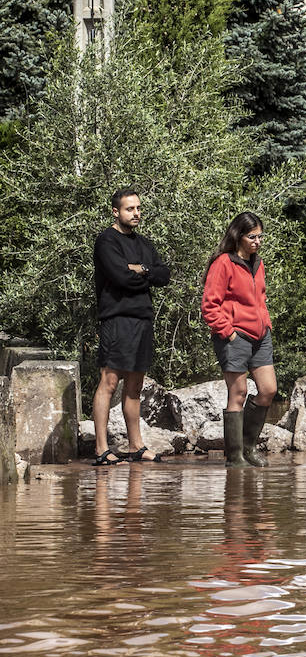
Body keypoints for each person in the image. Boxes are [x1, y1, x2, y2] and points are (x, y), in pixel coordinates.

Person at [92, 189, 171, 466]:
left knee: (135, 386)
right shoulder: (106, 241)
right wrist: (139, 272)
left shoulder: (145, 243)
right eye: (129, 209)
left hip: (143, 319)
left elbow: (163, 274)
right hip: (117, 318)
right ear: (116, 212)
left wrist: (141, 269)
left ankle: (136, 446)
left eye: (138, 208)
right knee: (109, 382)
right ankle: (101, 448)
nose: (136, 213)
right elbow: (120, 278)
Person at [201, 212, 277, 468]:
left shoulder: (258, 262)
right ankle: (235, 457)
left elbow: (261, 298)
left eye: (260, 236)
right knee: (239, 392)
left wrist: (265, 323)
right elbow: (209, 305)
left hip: (260, 336)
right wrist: (228, 332)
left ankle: (248, 447)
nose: (257, 241)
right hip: (234, 337)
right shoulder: (223, 263)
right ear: (238, 236)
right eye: (252, 236)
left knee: (268, 390)